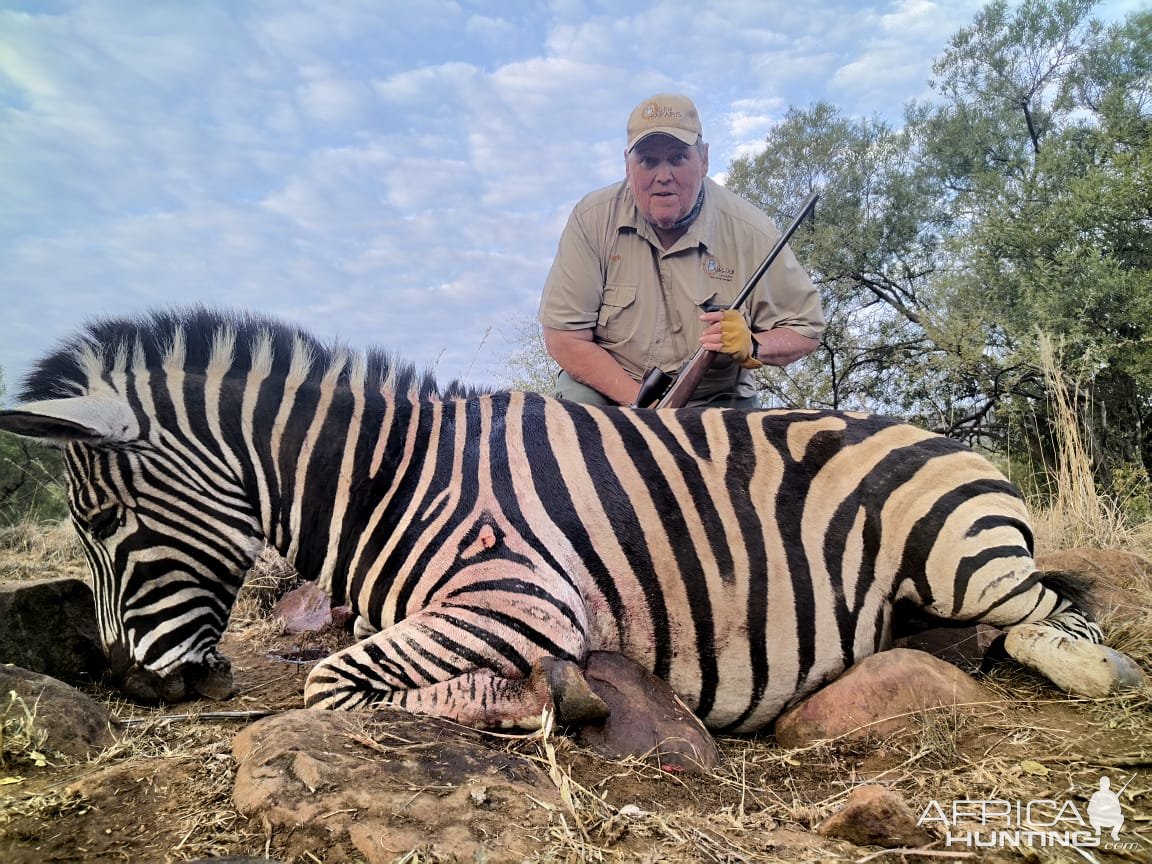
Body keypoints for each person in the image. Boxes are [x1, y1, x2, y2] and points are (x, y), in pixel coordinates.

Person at [538, 93, 825, 409]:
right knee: (573, 424)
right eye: (648, 161)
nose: (663, 176)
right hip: (611, 390)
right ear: (627, 165)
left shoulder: (751, 230)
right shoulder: (592, 219)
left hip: (715, 399)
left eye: (677, 158)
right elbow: (564, 338)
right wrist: (644, 408)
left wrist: (755, 346)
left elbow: (806, 329)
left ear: (704, 160)